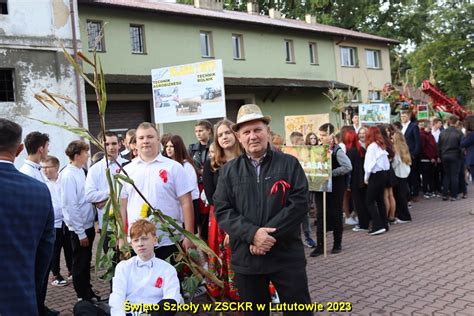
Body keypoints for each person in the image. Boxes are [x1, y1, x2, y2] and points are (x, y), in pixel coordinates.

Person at [214, 104, 312, 315]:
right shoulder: (228, 172)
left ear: (267, 131)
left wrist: (265, 237)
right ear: (238, 136)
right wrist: (252, 235)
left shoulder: (289, 164)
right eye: (246, 132)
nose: (253, 136)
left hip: (286, 255)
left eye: (257, 129)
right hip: (247, 258)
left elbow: (300, 203)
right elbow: (222, 210)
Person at [0, 119, 55, 315]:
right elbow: (45, 250)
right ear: (19, 149)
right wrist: (32, 286)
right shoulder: (39, 191)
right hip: (21, 298)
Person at [121, 122, 195, 260]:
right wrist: (121, 237)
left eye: (150, 136)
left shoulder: (174, 167)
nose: (145, 141)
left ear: (158, 139)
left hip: (169, 239)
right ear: (135, 142)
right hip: (138, 242)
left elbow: (186, 202)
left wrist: (189, 235)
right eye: (141, 138)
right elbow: (122, 206)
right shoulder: (127, 171)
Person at [202, 119, 242, 300]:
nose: (224, 137)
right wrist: (230, 223)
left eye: (227, 132)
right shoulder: (212, 164)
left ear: (235, 133)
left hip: (247, 215)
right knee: (222, 253)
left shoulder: (247, 159)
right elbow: (211, 197)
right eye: (220, 135)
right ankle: (226, 291)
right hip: (221, 218)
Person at [109, 219, 181, 316]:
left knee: (169, 303)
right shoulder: (123, 267)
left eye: (144, 238)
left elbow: (173, 297)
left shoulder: (167, 269)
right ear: (132, 244)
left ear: (155, 240)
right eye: (136, 240)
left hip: (154, 313)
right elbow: (117, 296)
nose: (140, 244)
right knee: (84, 307)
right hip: (128, 313)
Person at [61, 140, 98, 301]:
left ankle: (87, 291)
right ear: (77, 155)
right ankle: (82, 295)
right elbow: (71, 206)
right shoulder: (68, 175)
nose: (88, 155)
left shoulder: (81, 170)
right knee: (79, 263)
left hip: (87, 225)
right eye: (85, 153)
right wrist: (81, 232)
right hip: (78, 229)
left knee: (86, 262)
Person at [311, 123, 352, 257]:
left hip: (335, 188)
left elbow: (347, 166)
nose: (320, 137)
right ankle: (320, 245)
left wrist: (330, 173)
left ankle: (337, 243)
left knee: (336, 214)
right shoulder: (317, 149)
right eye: (320, 135)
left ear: (331, 135)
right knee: (321, 215)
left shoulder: (337, 150)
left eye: (323, 135)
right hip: (320, 187)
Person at [85, 131, 128, 254]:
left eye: (114, 143)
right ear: (100, 145)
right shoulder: (95, 169)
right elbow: (89, 195)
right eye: (107, 144)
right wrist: (111, 194)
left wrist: (104, 200)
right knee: (112, 264)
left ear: (120, 144)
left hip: (128, 223)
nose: (111, 147)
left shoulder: (128, 165)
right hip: (108, 226)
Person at [41, 155, 73, 287]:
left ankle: (72, 270)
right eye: (43, 167)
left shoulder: (63, 180)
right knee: (55, 250)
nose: (44, 170)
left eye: (47, 167)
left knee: (69, 247)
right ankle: (56, 275)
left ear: (56, 167)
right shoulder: (42, 183)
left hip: (66, 221)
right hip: (53, 223)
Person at [163, 135, 200, 236]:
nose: (168, 149)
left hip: (189, 204)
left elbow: (190, 189)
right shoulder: (167, 165)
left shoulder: (186, 166)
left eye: (172, 146)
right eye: (167, 146)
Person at [289, 131, 316, 248]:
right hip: (292, 189)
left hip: (304, 188)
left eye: (301, 140)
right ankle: (296, 238)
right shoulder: (289, 154)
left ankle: (307, 237)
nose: (302, 142)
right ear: (294, 142)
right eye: (299, 141)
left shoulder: (306, 153)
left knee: (305, 213)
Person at [364, 126, 390, 235]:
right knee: (380, 200)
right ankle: (384, 224)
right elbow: (386, 164)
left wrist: (366, 178)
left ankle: (377, 225)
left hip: (375, 175)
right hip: (383, 174)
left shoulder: (371, 147)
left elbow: (369, 165)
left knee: (369, 201)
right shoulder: (381, 146)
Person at [343, 130, 369, 232]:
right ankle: (365, 221)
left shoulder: (350, 151)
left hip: (355, 181)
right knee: (363, 201)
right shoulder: (361, 149)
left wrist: (347, 183)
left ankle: (363, 224)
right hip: (363, 179)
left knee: (358, 203)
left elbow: (348, 169)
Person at [438, 115, 463, 201]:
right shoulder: (459, 132)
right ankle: (454, 195)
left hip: (444, 156)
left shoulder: (442, 132)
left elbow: (439, 146)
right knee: (454, 176)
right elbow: (462, 146)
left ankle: (445, 195)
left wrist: (439, 156)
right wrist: (461, 156)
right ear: (456, 122)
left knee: (446, 175)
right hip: (455, 156)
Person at [391, 131, 412, 223]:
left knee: (399, 196)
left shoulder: (396, 149)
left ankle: (404, 216)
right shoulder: (405, 147)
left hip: (398, 173)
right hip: (404, 173)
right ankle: (404, 215)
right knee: (402, 195)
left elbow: (396, 162)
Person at [400, 110, 421, 201]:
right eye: (401, 116)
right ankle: (407, 193)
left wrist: (414, 154)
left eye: (404, 116)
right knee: (406, 174)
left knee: (413, 174)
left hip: (411, 154)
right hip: (402, 154)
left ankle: (415, 193)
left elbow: (417, 142)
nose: (402, 118)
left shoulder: (413, 126)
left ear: (408, 117)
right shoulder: (401, 127)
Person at [419, 122, 438, 198]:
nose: (432, 126)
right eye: (430, 124)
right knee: (425, 176)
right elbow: (423, 149)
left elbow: (434, 147)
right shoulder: (422, 135)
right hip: (425, 159)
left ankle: (431, 190)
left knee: (431, 176)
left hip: (432, 159)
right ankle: (425, 191)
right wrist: (431, 157)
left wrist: (435, 157)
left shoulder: (431, 135)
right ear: (427, 126)